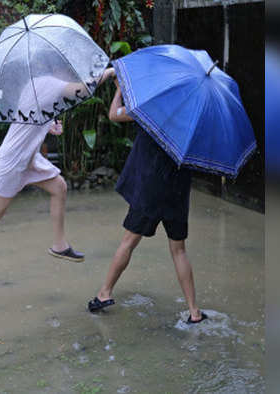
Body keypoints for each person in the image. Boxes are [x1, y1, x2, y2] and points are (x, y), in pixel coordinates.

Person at [0, 68, 117, 289]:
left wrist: (49, 126)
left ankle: (59, 245)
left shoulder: (36, 83)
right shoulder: (53, 84)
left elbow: (31, 117)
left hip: (27, 158)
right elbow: (83, 90)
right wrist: (110, 72)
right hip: (14, 160)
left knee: (59, 187)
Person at [87, 76, 207, 324]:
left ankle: (104, 292)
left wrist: (119, 90)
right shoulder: (193, 118)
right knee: (179, 250)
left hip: (151, 188)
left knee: (129, 241)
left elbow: (113, 114)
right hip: (178, 189)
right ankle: (194, 311)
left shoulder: (148, 109)